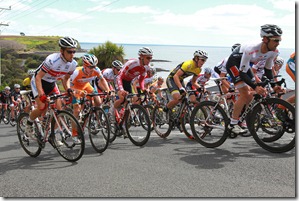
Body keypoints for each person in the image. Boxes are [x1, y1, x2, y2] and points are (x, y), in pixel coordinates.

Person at [226, 24, 283, 135]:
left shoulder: (274, 51)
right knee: (245, 93)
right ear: (265, 39)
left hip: (247, 65)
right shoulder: (251, 49)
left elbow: (268, 69)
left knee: (252, 93)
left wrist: (274, 85)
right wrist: (255, 86)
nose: (278, 43)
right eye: (275, 40)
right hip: (234, 63)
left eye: (279, 40)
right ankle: (232, 124)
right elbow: (242, 73)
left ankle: (244, 119)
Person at [25, 36, 80, 144]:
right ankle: (29, 123)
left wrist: (68, 88)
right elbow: (38, 77)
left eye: (74, 51)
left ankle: (53, 136)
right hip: (39, 82)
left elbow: (66, 79)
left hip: (51, 83)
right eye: (69, 51)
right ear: (62, 51)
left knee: (59, 109)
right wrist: (41, 94)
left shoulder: (73, 64)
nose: (72, 54)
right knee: (42, 107)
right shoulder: (52, 60)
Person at [70, 53, 110, 127]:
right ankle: (74, 132)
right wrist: (79, 92)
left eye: (94, 66)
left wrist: (108, 90)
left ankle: (94, 116)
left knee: (98, 102)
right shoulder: (76, 72)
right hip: (76, 88)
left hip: (86, 86)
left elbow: (102, 80)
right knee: (77, 110)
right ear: (85, 66)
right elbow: (70, 87)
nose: (93, 69)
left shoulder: (96, 70)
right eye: (90, 67)